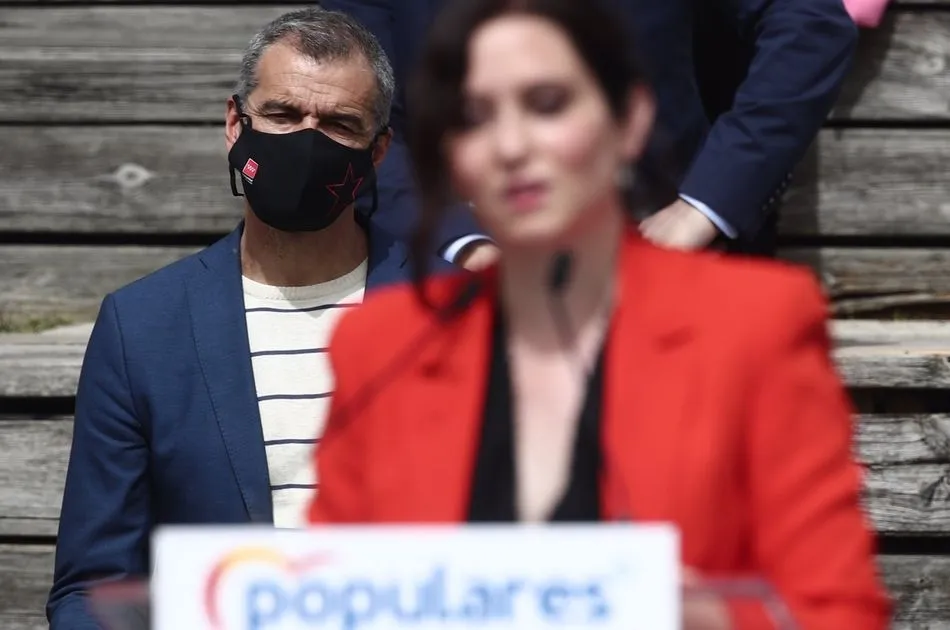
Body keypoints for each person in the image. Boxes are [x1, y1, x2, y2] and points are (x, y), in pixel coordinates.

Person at [307, 1, 891, 628]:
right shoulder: (379, 348)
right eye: (473, 117)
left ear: (628, 120)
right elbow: (333, 601)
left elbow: (838, 611)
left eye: (549, 103)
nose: (511, 146)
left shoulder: (756, 328)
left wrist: (715, 618)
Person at [46, 8, 450, 629]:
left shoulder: (454, 310)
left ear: (379, 151)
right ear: (236, 123)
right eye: (284, 115)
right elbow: (93, 587)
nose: (307, 141)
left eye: (340, 124)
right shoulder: (144, 327)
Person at [321, 0, 857, 262]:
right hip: (452, 277)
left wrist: (706, 203)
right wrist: (462, 244)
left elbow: (810, 26)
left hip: (662, 270)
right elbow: (357, 108)